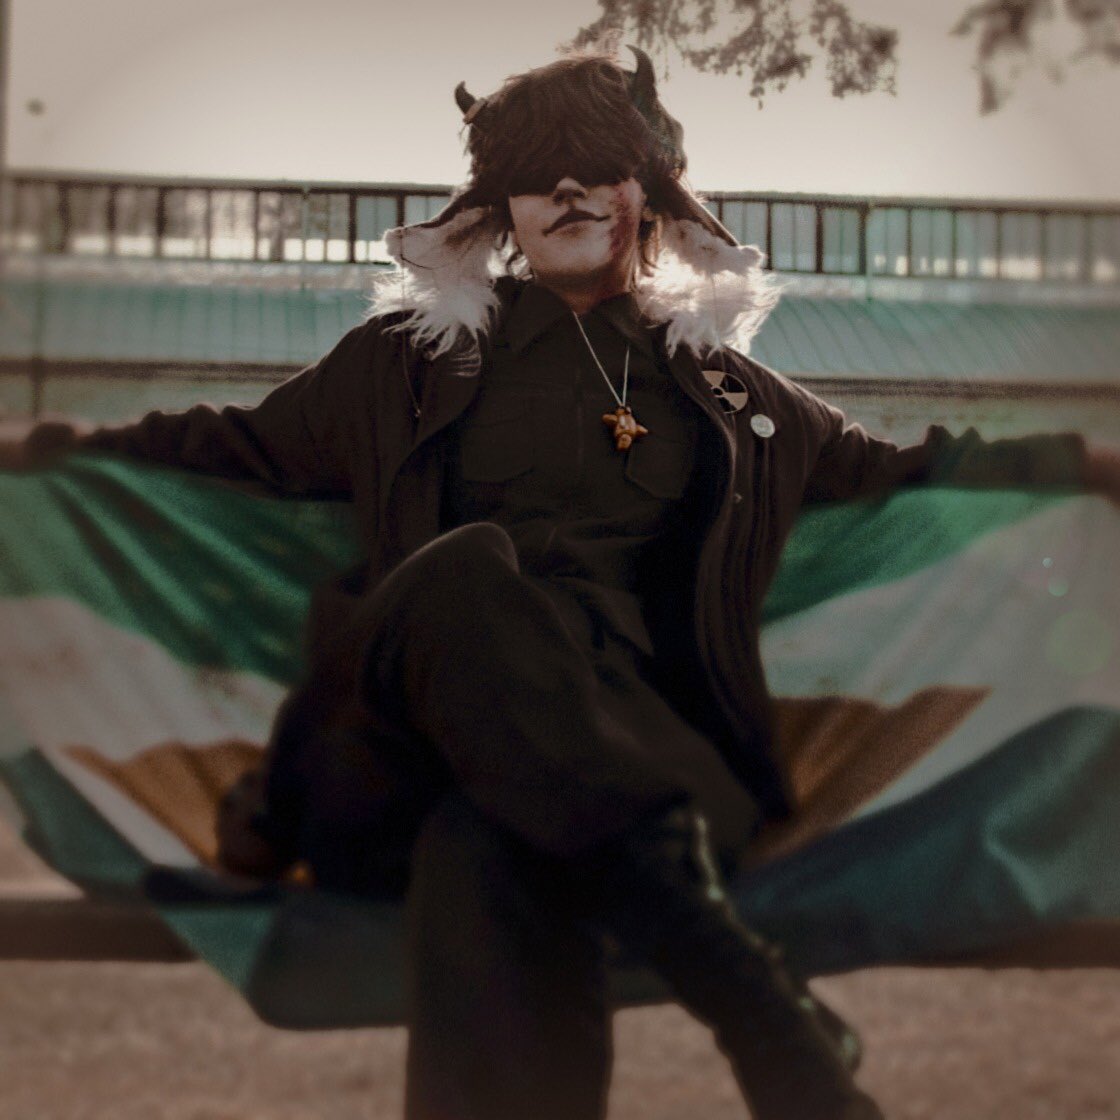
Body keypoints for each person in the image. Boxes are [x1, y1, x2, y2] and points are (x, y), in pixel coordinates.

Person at [6, 47, 1120, 1120]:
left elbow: (916, 472)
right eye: (538, 171)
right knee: (469, 572)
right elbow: (215, 447)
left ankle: (731, 985)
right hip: (407, 757)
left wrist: (1090, 469)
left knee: (486, 847)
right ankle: (755, 1006)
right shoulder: (402, 366)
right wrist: (33, 454)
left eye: (596, 162)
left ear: (652, 190)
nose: (569, 189)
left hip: (639, 749)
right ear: (502, 208)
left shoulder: (739, 401)